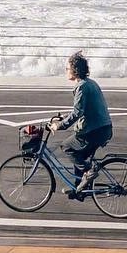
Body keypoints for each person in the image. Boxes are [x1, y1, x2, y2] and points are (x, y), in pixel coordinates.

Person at [48, 51, 112, 199]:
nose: (66, 71)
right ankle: (79, 189)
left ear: (75, 70)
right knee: (79, 153)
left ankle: (89, 172)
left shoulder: (81, 87)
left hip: (95, 131)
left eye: (67, 68)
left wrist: (61, 125)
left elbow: (77, 113)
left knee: (67, 147)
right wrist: (64, 118)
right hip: (102, 128)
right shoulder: (90, 83)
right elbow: (82, 110)